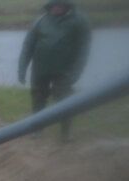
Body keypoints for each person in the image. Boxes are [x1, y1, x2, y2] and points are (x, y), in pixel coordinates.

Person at [18, 0, 91, 141]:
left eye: (60, 4)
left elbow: (84, 50)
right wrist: (22, 68)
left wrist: (76, 73)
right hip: (40, 70)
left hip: (64, 72)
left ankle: (65, 133)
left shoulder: (79, 22)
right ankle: (37, 131)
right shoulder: (40, 21)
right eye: (54, 5)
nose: (56, 7)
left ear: (67, 5)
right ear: (49, 6)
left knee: (64, 101)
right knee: (38, 99)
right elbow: (28, 46)